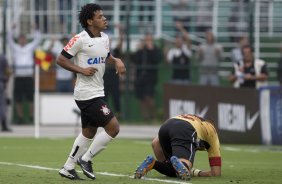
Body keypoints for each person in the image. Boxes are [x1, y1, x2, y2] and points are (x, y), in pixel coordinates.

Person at [56, 4, 126, 180]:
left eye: (104, 16)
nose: (104, 19)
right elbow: (60, 59)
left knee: (89, 131)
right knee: (113, 127)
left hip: (97, 91)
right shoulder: (79, 39)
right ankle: (85, 159)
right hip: (86, 94)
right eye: (100, 16)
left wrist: (116, 60)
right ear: (89, 21)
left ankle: (68, 167)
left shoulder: (105, 38)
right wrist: (81, 70)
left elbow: (106, 56)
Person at [134, 114, 221, 181]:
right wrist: (196, 172)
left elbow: (155, 143)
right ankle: (183, 165)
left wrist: (165, 165)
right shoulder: (212, 132)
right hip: (185, 129)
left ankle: (153, 163)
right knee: (184, 167)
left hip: (166, 126)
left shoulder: (193, 119)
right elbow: (216, 172)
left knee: (174, 171)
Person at [7, 23, 42, 124]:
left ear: (26, 40)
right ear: (18, 40)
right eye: (20, 39)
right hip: (18, 76)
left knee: (30, 98)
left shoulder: (30, 47)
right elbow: (9, 39)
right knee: (18, 99)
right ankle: (20, 117)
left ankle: (31, 117)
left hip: (28, 77)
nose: (22, 40)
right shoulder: (15, 47)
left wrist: (35, 29)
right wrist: (12, 29)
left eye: (23, 39)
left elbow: (37, 39)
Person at [131, 33, 162, 122]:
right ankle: (145, 117)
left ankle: (154, 116)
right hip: (140, 76)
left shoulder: (155, 49)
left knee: (149, 97)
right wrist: (139, 50)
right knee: (141, 98)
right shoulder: (141, 50)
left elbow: (157, 60)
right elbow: (135, 60)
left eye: (149, 39)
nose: (148, 41)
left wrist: (151, 49)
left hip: (150, 76)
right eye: (146, 39)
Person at [104, 24, 124, 118]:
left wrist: (120, 32)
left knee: (116, 96)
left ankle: (118, 114)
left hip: (113, 74)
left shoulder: (114, 51)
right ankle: (104, 114)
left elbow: (120, 44)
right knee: (104, 97)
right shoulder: (101, 51)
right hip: (104, 75)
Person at [0, 54, 12, 132]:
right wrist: (7, 80)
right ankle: (4, 124)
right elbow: (8, 71)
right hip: (1, 83)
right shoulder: (2, 57)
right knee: (2, 105)